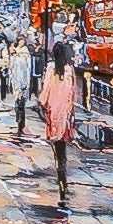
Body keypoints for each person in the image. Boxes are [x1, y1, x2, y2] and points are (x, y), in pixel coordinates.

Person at [40, 42, 79, 207]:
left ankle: (61, 180)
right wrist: (71, 112)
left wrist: (42, 104)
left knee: (58, 150)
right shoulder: (70, 71)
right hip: (65, 114)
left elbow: (45, 92)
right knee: (63, 152)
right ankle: (63, 183)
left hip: (53, 113)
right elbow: (73, 93)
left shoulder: (50, 68)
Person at [8, 37, 34, 139]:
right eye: (20, 41)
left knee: (21, 102)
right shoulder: (14, 52)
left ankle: (20, 124)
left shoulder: (26, 53)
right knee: (17, 101)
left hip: (24, 80)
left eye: (23, 41)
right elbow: (11, 66)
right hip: (15, 80)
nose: (22, 43)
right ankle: (18, 122)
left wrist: (28, 82)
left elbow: (29, 68)